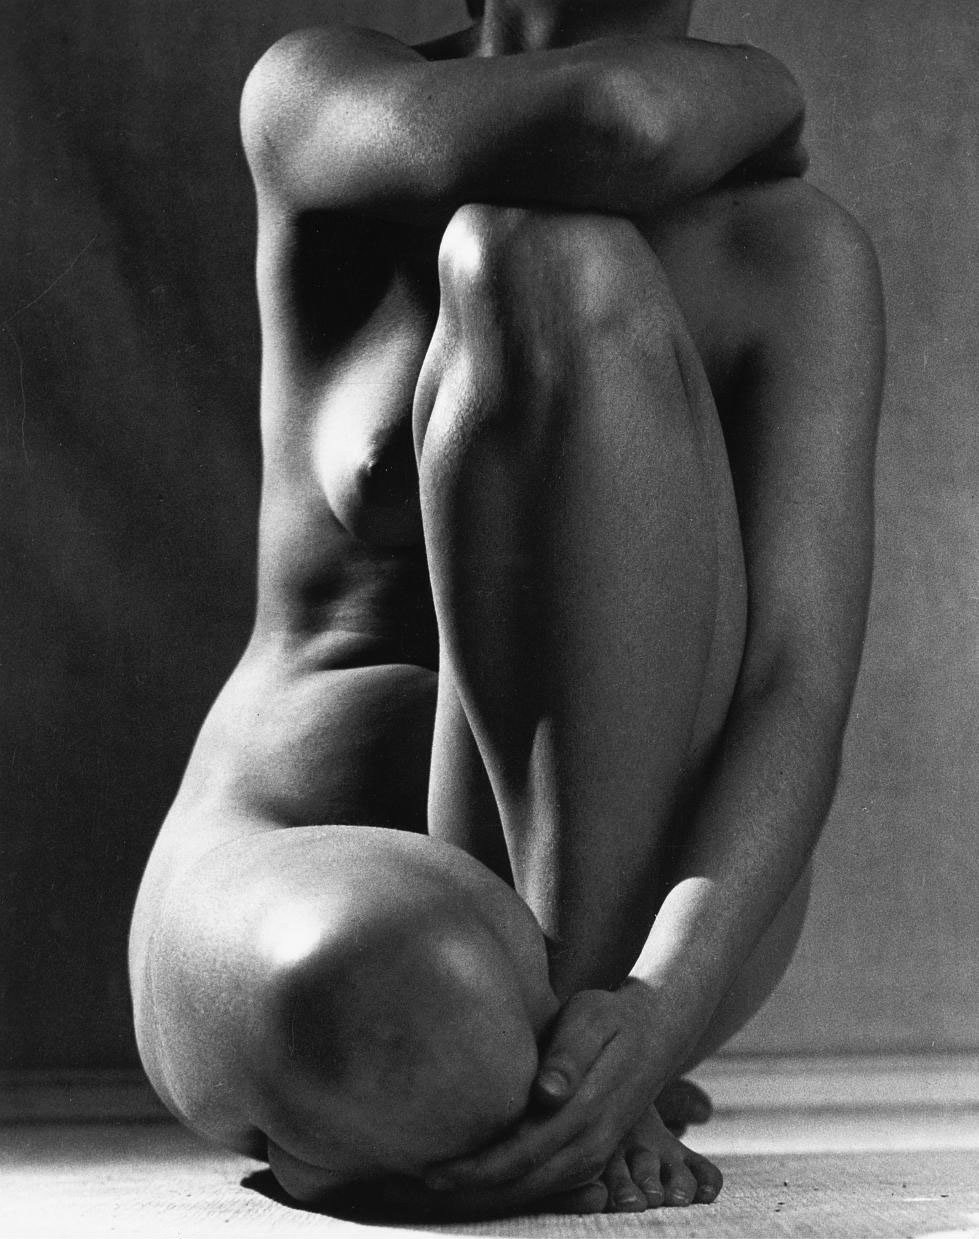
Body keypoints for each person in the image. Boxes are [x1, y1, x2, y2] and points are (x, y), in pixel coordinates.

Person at [129, 0, 884, 1218]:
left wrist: (657, 1007)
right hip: (305, 858)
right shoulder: (324, 99)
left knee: (554, 264)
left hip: (650, 922)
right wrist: (768, 88)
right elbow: (613, 125)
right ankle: (540, 1082)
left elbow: (793, 683)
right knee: (423, 1005)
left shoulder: (791, 258)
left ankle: (569, 1058)